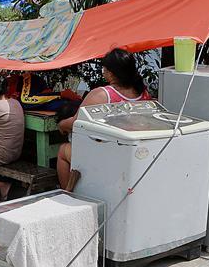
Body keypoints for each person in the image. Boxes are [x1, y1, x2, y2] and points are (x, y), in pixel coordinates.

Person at [56, 49, 151, 188]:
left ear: (110, 73)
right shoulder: (143, 94)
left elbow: (76, 123)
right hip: (134, 154)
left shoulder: (102, 95)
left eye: (104, 69)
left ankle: (67, 193)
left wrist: (61, 125)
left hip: (107, 155)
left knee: (63, 151)